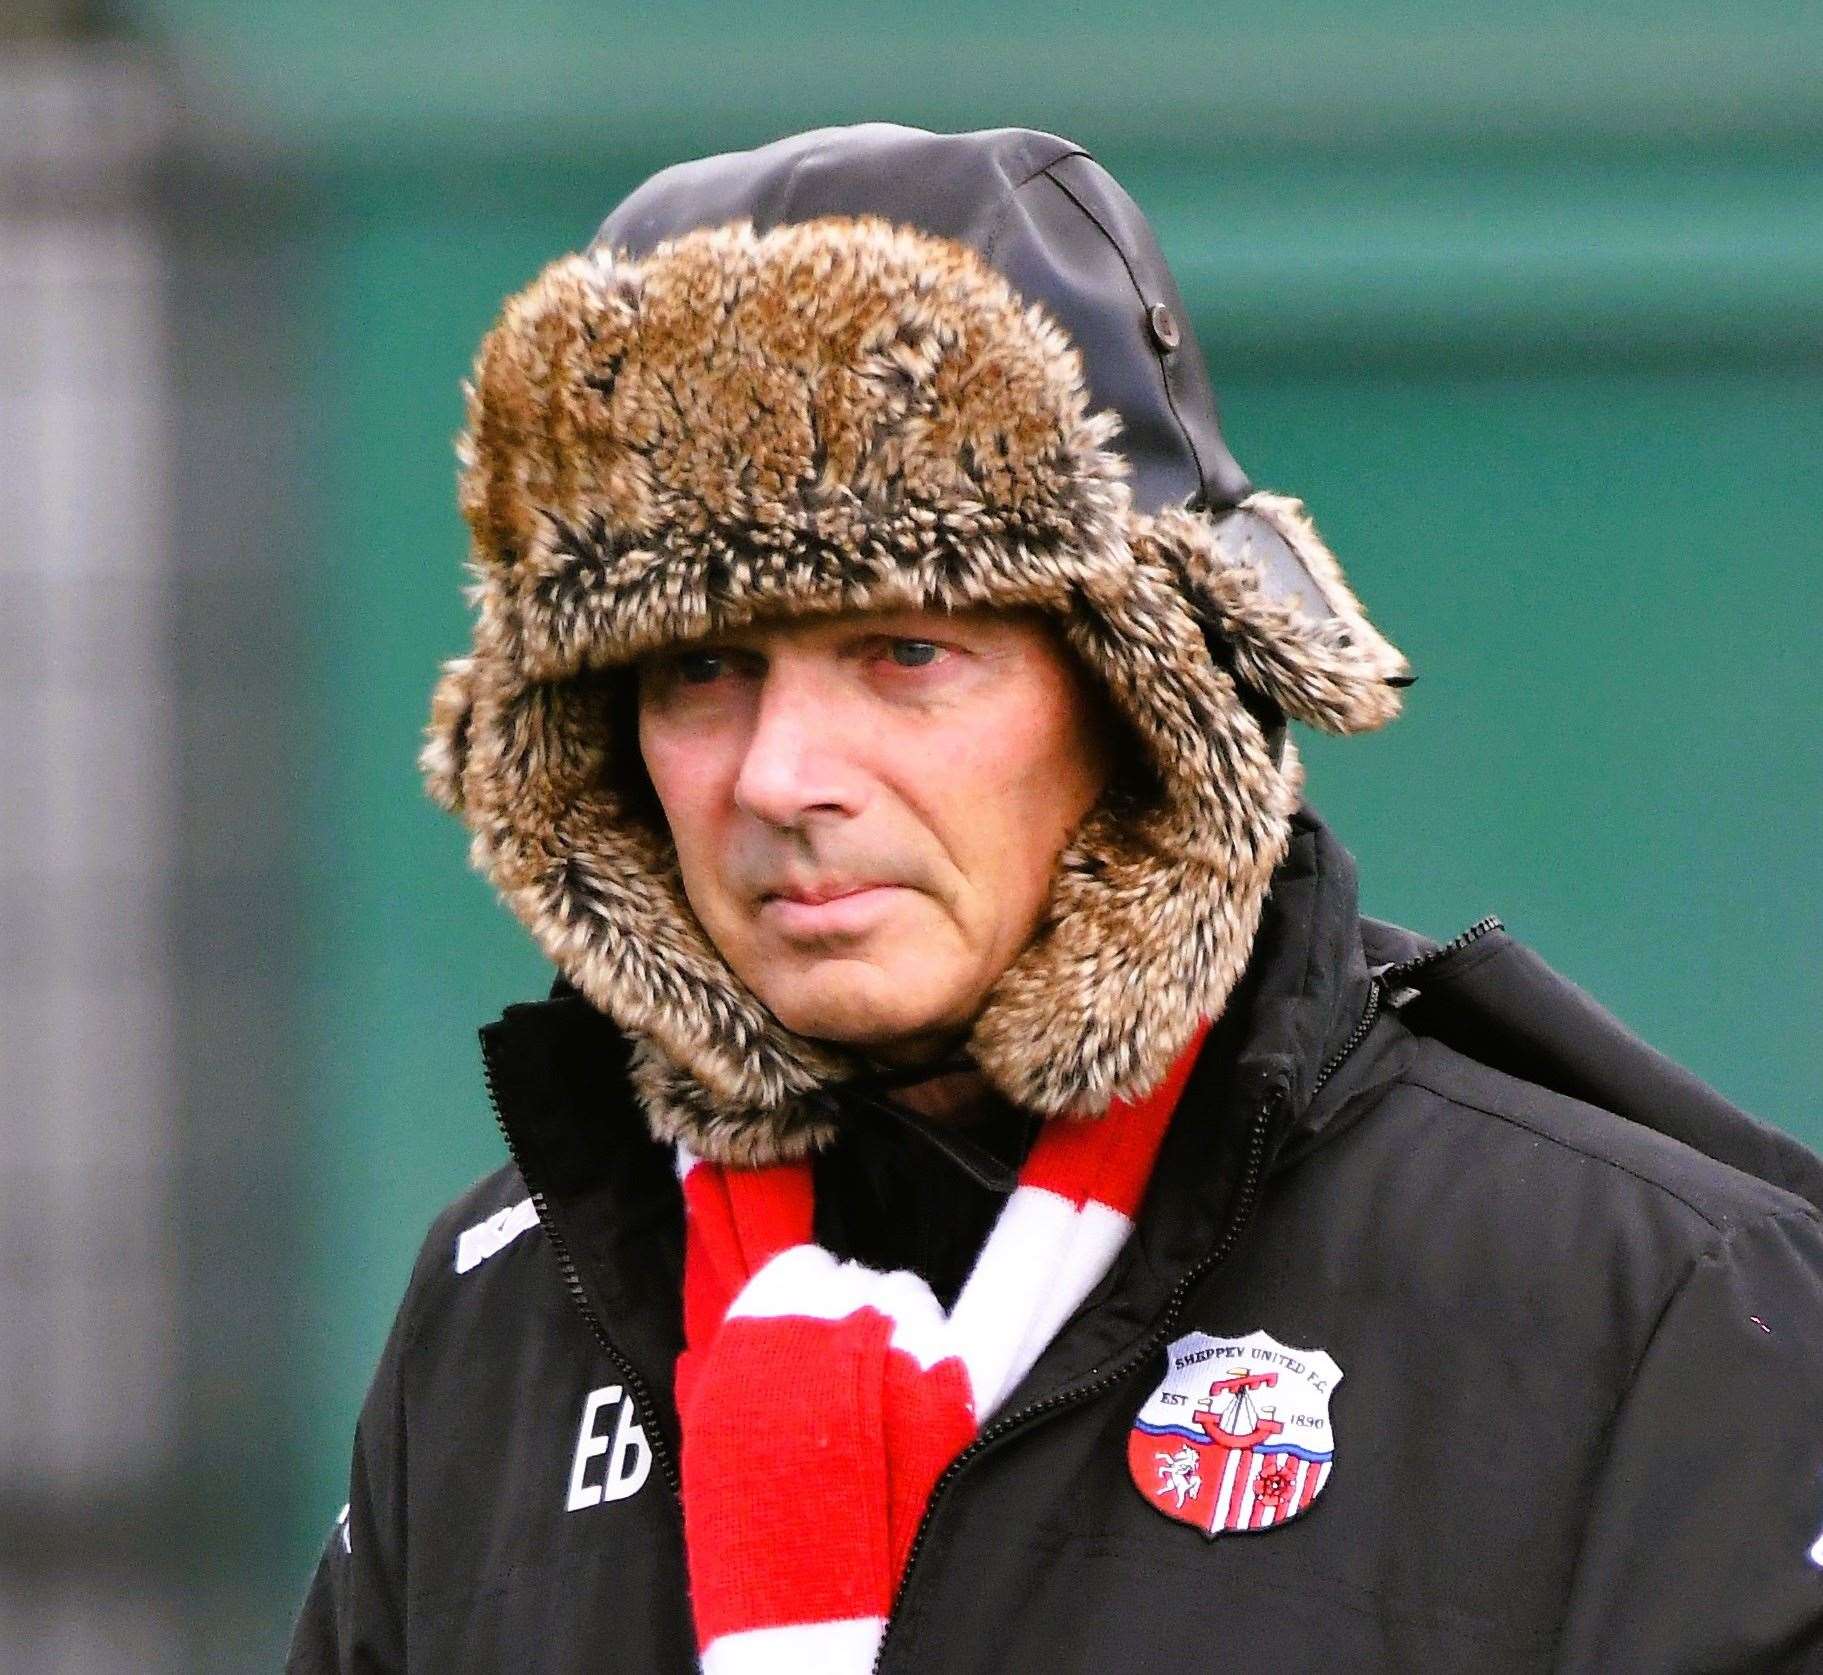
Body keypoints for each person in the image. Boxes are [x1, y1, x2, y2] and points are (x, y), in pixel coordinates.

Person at [287, 123, 1823, 1674]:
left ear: (1143, 699)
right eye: (701, 669)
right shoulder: (505, 1308)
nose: (779, 775)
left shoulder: (1652, 1304)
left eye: (907, 653)